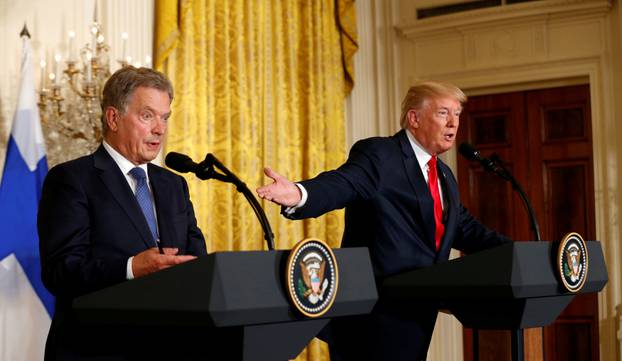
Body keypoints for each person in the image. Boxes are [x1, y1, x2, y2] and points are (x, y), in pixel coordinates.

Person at [256, 81, 511, 360]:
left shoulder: (444, 176)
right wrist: (298, 193)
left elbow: (464, 227)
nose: (453, 123)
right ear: (414, 118)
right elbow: (344, 183)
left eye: (457, 114)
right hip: (372, 319)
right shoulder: (381, 155)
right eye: (443, 113)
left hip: (417, 315)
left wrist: (519, 253)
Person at [38, 66, 207, 361]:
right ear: (114, 118)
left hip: (171, 348)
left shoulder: (173, 185)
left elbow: (198, 261)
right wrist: (130, 268)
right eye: (148, 115)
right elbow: (61, 271)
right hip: (95, 349)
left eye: (164, 117)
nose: (160, 129)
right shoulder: (72, 179)